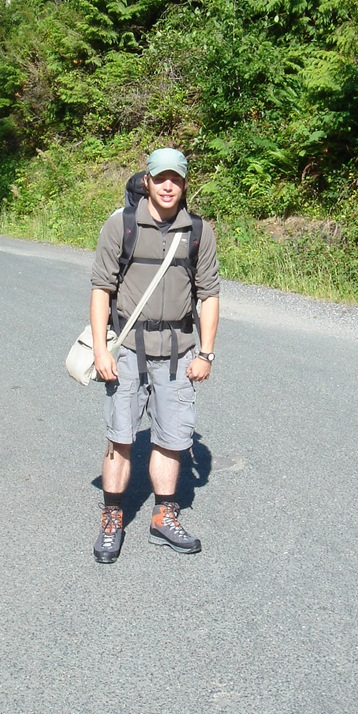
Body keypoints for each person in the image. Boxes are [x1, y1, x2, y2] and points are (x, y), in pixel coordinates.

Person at [89, 147, 220, 564]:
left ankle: (164, 517)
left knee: (172, 437)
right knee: (121, 437)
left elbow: (209, 295)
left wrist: (206, 354)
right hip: (128, 348)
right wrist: (101, 349)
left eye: (175, 179)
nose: (167, 186)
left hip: (180, 351)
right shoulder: (122, 225)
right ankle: (112, 518)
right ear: (146, 181)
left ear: (184, 184)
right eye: (160, 178)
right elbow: (101, 289)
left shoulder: (198, 231)